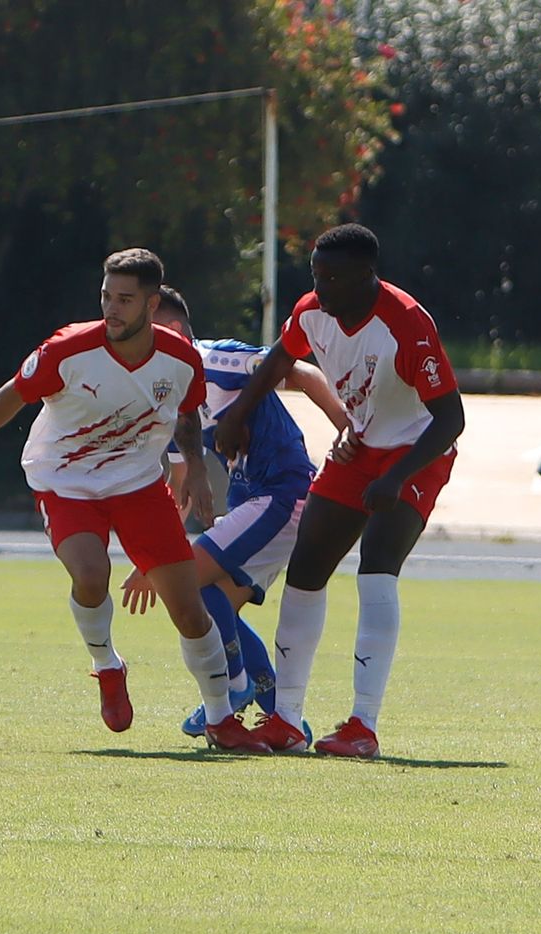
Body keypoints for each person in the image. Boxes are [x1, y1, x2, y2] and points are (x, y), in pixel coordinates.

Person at [0, 249, 272, 753]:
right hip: (65, 483)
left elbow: (185, 414)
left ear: (152, 305)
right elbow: (15, 392)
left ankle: (221, 719)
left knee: (188, 609)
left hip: (138, 486)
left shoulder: (181, 359)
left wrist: (197, 468)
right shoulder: (68, 349)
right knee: (92, 575)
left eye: (125, 300)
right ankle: (107, 665)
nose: (111, 309)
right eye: (106, 297)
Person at [215, 223, 465, 759]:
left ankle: (362, 726)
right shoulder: (313, 311)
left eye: (332, 278)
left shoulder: (406, 324)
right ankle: (285, 720)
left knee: (376, 567)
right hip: (361, 448)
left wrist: (396, 477)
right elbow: (280, 358)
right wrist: (237, 414)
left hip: (417, 451)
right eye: (316, 275)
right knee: (306, 567)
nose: (320, 288)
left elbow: (451, 418)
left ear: (367, 275)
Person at [118, 286, 350, 746]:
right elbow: (180, 484)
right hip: (258, 504)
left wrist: (347, 428)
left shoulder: (215, 359)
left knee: (187, 584)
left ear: (174, 330)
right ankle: (283, 719)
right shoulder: (169, 395)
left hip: (282, 494)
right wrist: (154, 554)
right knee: (211, 598)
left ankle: (234, 684)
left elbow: (298, 369)